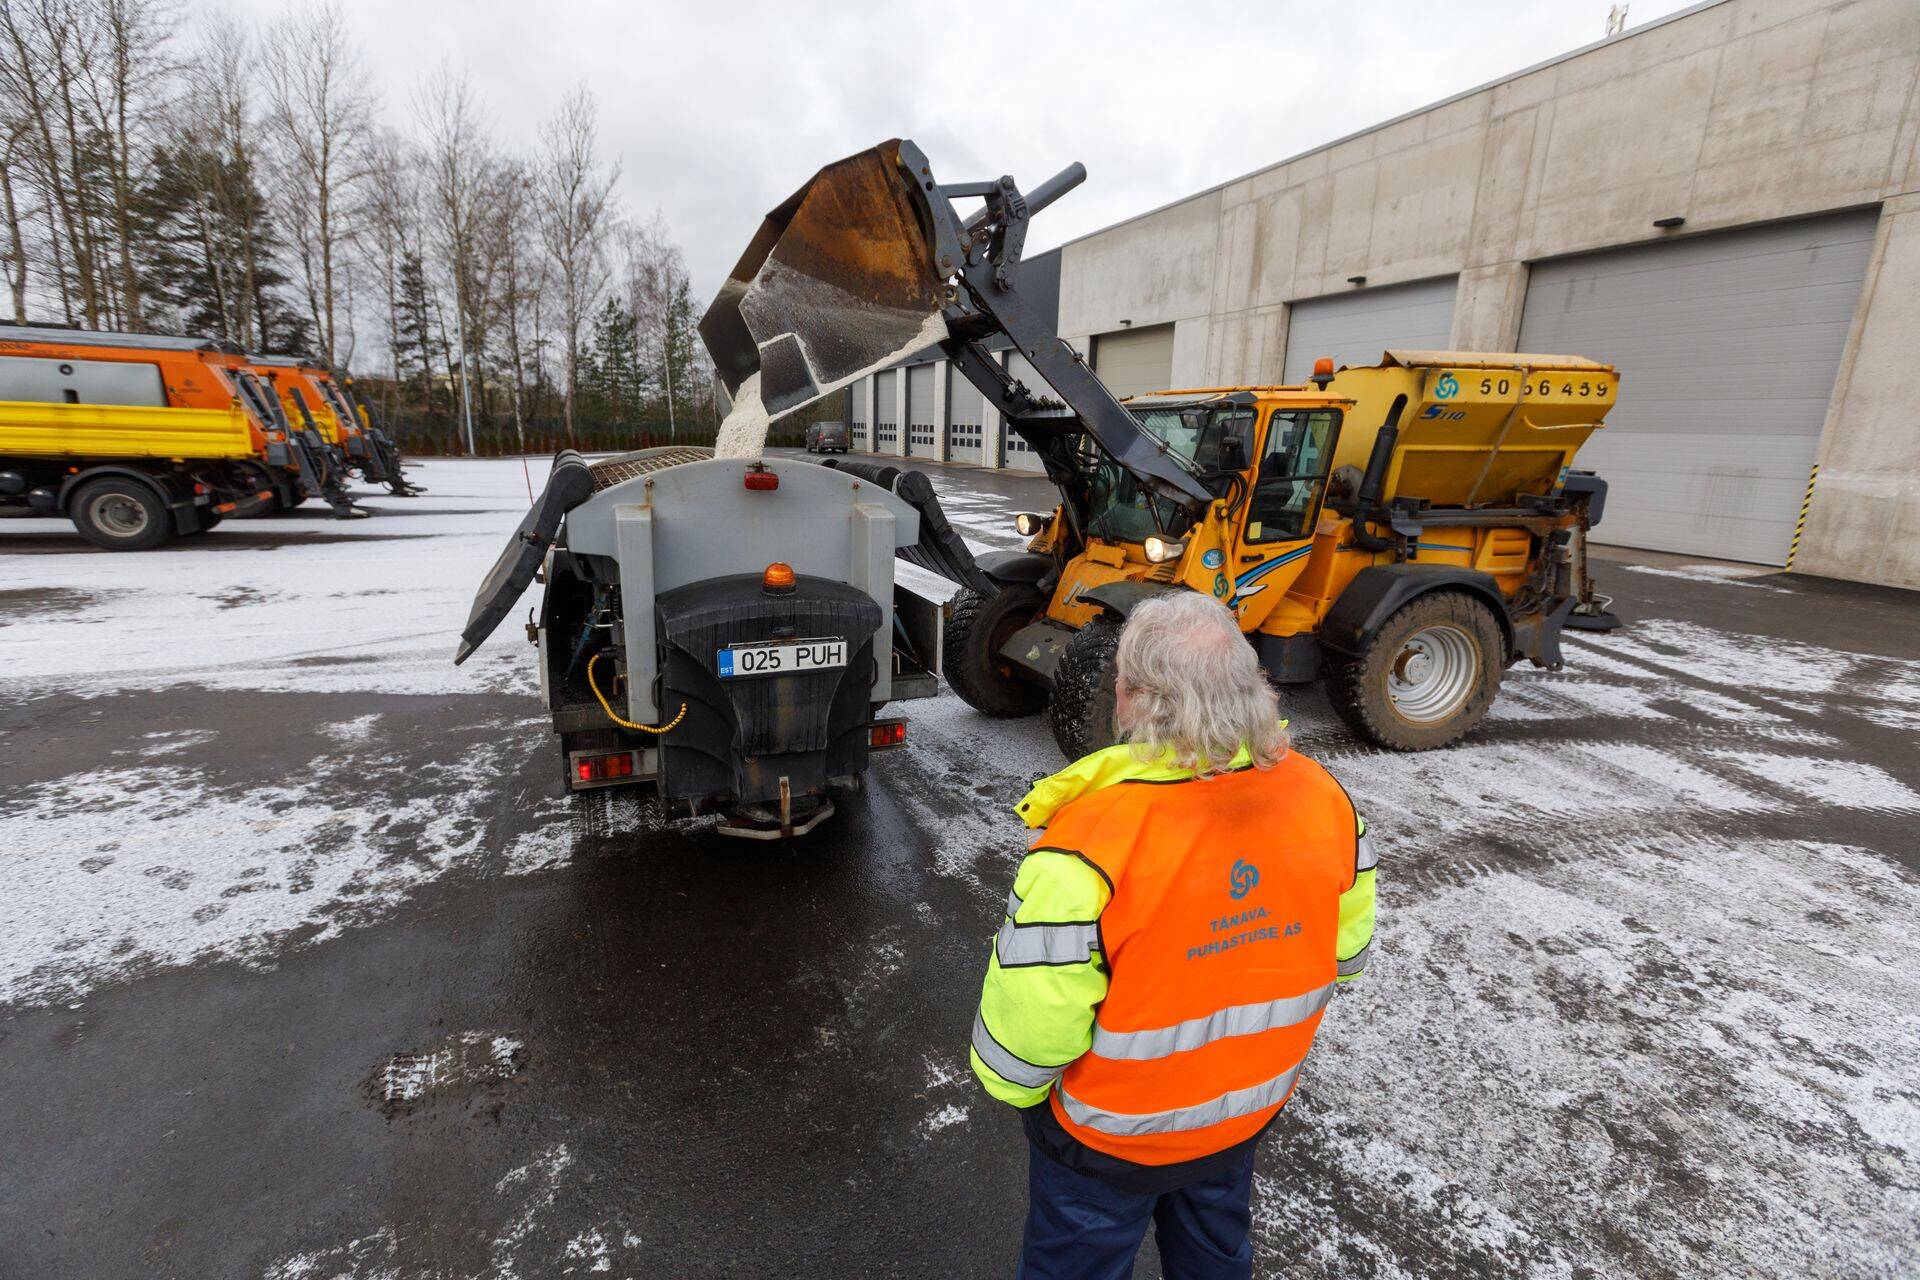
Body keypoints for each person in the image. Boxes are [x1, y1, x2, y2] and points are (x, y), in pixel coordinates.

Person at [968, 591, 1376, 1279]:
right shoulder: (1326, 801)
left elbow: (1023, 1048)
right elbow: (1348, 956)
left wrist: (1035, 1107)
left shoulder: (1085, 847)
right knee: (1215, 1256)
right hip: (1243, 1112)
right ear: (1253, 686)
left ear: (1130, 697)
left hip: (1107, 1142)